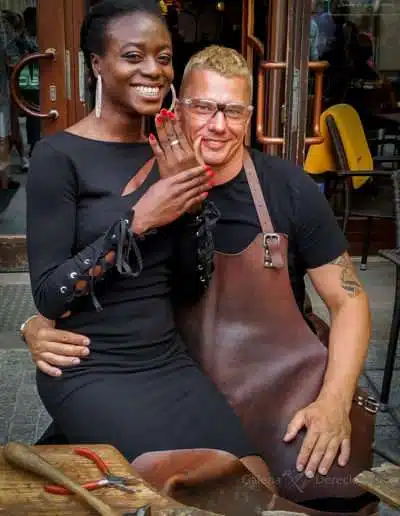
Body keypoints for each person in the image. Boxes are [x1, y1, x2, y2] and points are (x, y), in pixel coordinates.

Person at [24, 43, 370, 486]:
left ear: (250, 117)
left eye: (233, 111)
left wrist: (335, 400)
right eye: (204, 107)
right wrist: (36, 324)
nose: (219, 126)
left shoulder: (288, 189)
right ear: (177, 110)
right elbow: (81, 274)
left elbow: (349, 301)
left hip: (273, 399)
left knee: (322, 490)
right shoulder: (142, 189)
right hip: (155, 393)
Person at [25, 0, 273, 486]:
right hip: (90, 368)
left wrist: (190, 206)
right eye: (133, 56)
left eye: (163, 57)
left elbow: (190, 286)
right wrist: (138, 220)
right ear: (97, 63)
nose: (153, 71)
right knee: (175, 486)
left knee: (252, 476)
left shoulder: (172, 151)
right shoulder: (58, 156)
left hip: (166, 362)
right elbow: (50, 294)